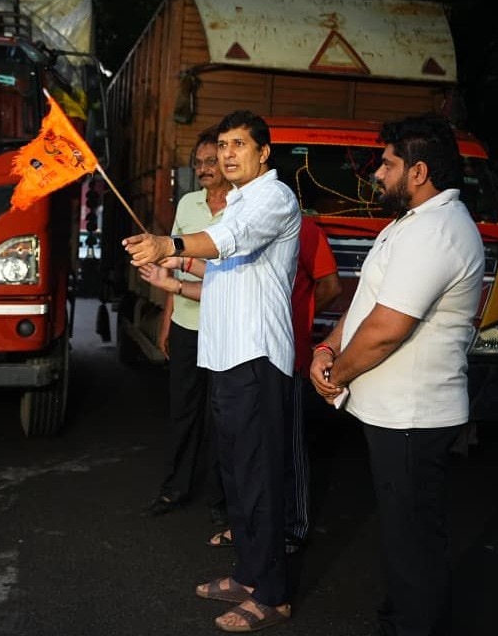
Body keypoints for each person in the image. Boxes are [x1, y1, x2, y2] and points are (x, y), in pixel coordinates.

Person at [309, 112, 484, 636]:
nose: (376, 174)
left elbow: (387, 328)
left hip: (414, 416)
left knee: (414, 544)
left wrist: (335, 374)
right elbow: (368, 303)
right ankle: (402, 618)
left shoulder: (439, 232)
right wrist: (328, 345)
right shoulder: (410, 224)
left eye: (386, 164)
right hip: (395, 414)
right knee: (402, 537)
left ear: (419, 171)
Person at [124, 109, 300, 632]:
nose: (226, 154)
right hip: (223, 357)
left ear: (263, 153)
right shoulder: (239, 203)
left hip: (255, 358)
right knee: (237, 476)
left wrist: (173, 244)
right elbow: (221, 271)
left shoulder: (273, 197)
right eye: (222, 145)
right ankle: (248, 575)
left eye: (238, 145)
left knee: (260, 479)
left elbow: (231, 242)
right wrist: (172, 273)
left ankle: (273, 594)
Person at [204, 216, 342, 552]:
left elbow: (331, 286)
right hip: (242, 356)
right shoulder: (237, 226)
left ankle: (292, 527)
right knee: (247, 451)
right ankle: (249, 528)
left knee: (287, 445)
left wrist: (296, 316)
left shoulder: (302, 228)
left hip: (284, 352)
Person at [140, 128, 231, 522]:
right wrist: (166, 321)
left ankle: (221, 501)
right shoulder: (189, 203)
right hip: (186, 324)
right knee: (183, 411)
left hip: (227, 327)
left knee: (221, 416)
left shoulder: (242, 209)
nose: (205, 168)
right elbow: (168, 262)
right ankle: (174, 489)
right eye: (199, 162)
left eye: (212, 161)